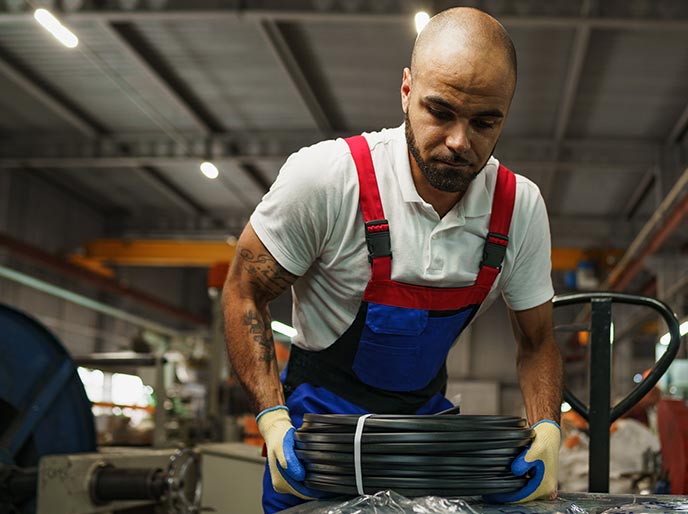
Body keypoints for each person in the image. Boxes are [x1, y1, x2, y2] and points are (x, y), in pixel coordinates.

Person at [223, 7, 563, 513]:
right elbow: (243, 291)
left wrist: (547, 428)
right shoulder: (328, 179)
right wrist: (273, 417)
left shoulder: (518, 209)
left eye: (485, 122)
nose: (458, 142)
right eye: (440, 112)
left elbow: (537, 340)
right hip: (317, 443)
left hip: (425, 446)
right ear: (406, 91)